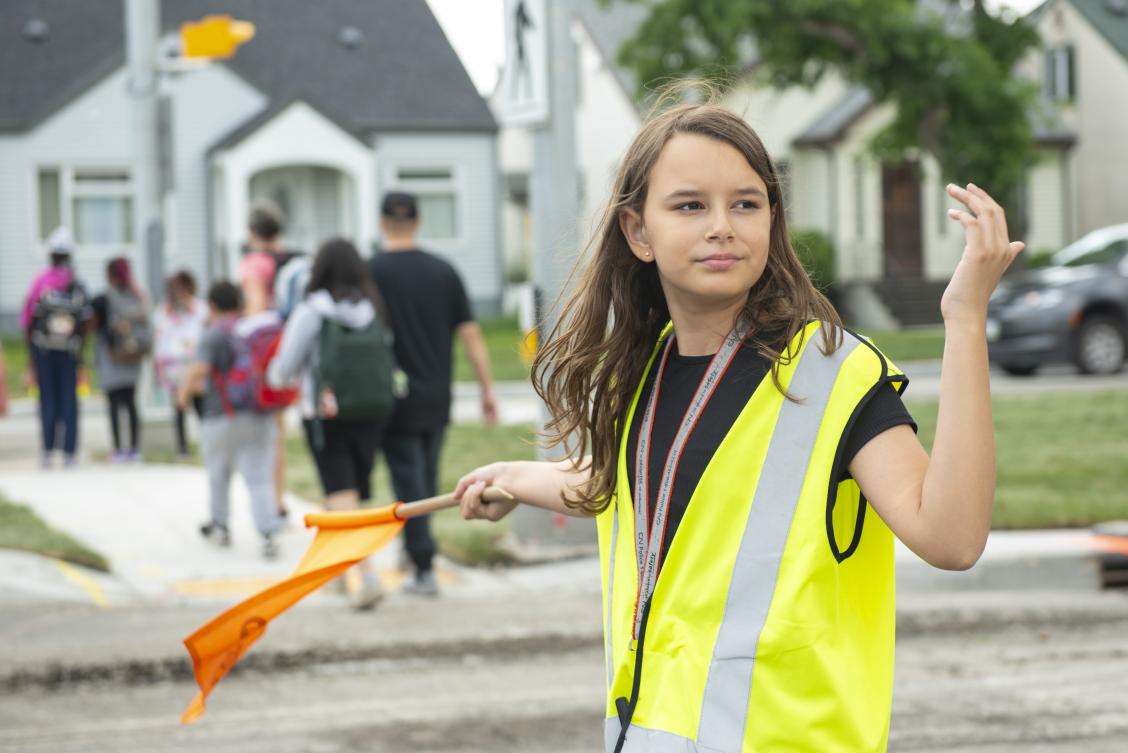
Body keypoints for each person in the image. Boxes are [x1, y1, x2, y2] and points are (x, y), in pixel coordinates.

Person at [454, 95, 1024, 752]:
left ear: (772, 220)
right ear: (638, 232)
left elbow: (952, 538)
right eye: (690, 206)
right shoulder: (644, 373)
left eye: (746, 204)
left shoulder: (831, 373)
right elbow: (631, 487)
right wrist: (512, 477)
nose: (722, 226)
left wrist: (965, 318)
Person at [369, 191, 498, 596]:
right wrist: (486, 390)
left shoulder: (371, 272)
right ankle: (415, 551)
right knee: (424, 477)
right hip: (437, 395)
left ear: (382, 223)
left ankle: (422, 564)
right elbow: (471, 335)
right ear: (418, 222)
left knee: (409, 483)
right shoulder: (443, 271)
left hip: (393, 396)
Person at [268, 238, 395, 610]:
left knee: (342, 496)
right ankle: (334, 573)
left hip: (326, 416)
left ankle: (368, 577)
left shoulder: (312, 311)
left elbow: (284, 367)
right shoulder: (373, 307)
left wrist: (277, 378)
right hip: (371, 411)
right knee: (346, 494)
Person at [178, 281, 281, 559]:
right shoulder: (252, 330)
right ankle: (268, 534)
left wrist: (183, 395)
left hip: (221, 415)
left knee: (219, 473)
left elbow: (201, 368)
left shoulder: (214, 333)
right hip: (259, 412)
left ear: (212, 305)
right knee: (259, 476)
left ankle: (220, 526)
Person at [239, 201, 302, 522]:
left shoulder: (254, 264)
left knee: (265, 434)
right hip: (294, 347)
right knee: (278, 431)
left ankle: (271, 503)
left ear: (252, 231)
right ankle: (279, 498)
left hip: (266, 354)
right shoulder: (295, 260)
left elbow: (256, 309)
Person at [20, 227, 90, 467]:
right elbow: (85, 323)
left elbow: (28, 320)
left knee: (47, 399)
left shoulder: (41, 281)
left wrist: (30, 354)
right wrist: (81, 353)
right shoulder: (76, 284)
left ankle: (48, 449)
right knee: (69, 399)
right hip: (69, 352)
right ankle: (69, 451)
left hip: (44, 351)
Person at [90, 257, 150, 463]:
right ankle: (134, 449)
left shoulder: (104, 298)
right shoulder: (138, 296)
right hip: (133, 355)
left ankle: (118, 450)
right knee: (131, 403)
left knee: (114, 404)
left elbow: (93, 324)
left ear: (110, 274)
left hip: (111, 357)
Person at [154, 270, 208, 456]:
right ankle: (182, 447)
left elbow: (204, 324)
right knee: (179, 407)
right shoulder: (165, 311)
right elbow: (160, 338)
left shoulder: (199, 307)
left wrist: (189, 305)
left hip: (195, 363)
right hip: (174, 366)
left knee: (201, 405)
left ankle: (206, 443)